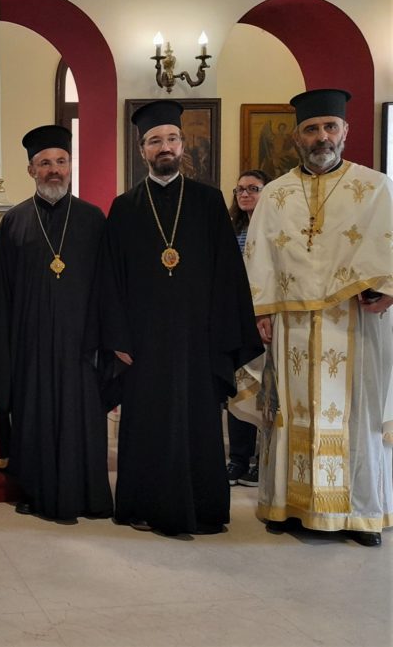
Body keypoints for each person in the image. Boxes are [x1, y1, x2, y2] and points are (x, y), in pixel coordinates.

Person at [98, 99, 262, 536]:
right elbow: (110, 281)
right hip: (143, 344)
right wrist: (117, 338)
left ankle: (204, 508)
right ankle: (141, 504)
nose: (164, 147)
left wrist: (223, 339)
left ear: (182, 144)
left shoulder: (208, 203)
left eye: (171, 138)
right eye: (155, 141)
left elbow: (229, 277)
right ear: (142, 150)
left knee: (197, 423)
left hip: (197, 341)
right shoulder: (124, 207)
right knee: (147, 422)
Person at [242, 88, 393, 547]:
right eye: (311, 129)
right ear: (296, 137)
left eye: (330, 127)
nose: (321, 137)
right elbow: (259, 253)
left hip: (353, 321)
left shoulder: (374, 187)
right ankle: (287, 506)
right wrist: (261, 309)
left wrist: (386, 288)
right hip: (291, 326)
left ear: (345, 131)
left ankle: (359, 513)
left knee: (355, 417)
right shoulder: (275, 193)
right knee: (288, 413)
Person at [0, 125, 113, 520]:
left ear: (71, 167)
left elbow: (107, 286)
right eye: (45, 163)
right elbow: (0, 294)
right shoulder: (15, 222)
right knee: (35, 420)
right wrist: (5, 348)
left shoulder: (93, 219)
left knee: (81, 420)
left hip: (81, 344)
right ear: (31, 170)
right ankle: (38, 494)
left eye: (61, 162)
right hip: (30, 345)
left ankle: (87, 495)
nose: (55, 170)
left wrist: (104, 338)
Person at [225, 169, 271, 487]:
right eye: (240, 189)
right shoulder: (231, 230)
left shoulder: (274, 229)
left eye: (253, 188)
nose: (245, 194)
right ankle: (238, 459)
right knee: (239, 389)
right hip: (237, 320)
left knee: (266, 390)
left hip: (266, 320)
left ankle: (260, 459)